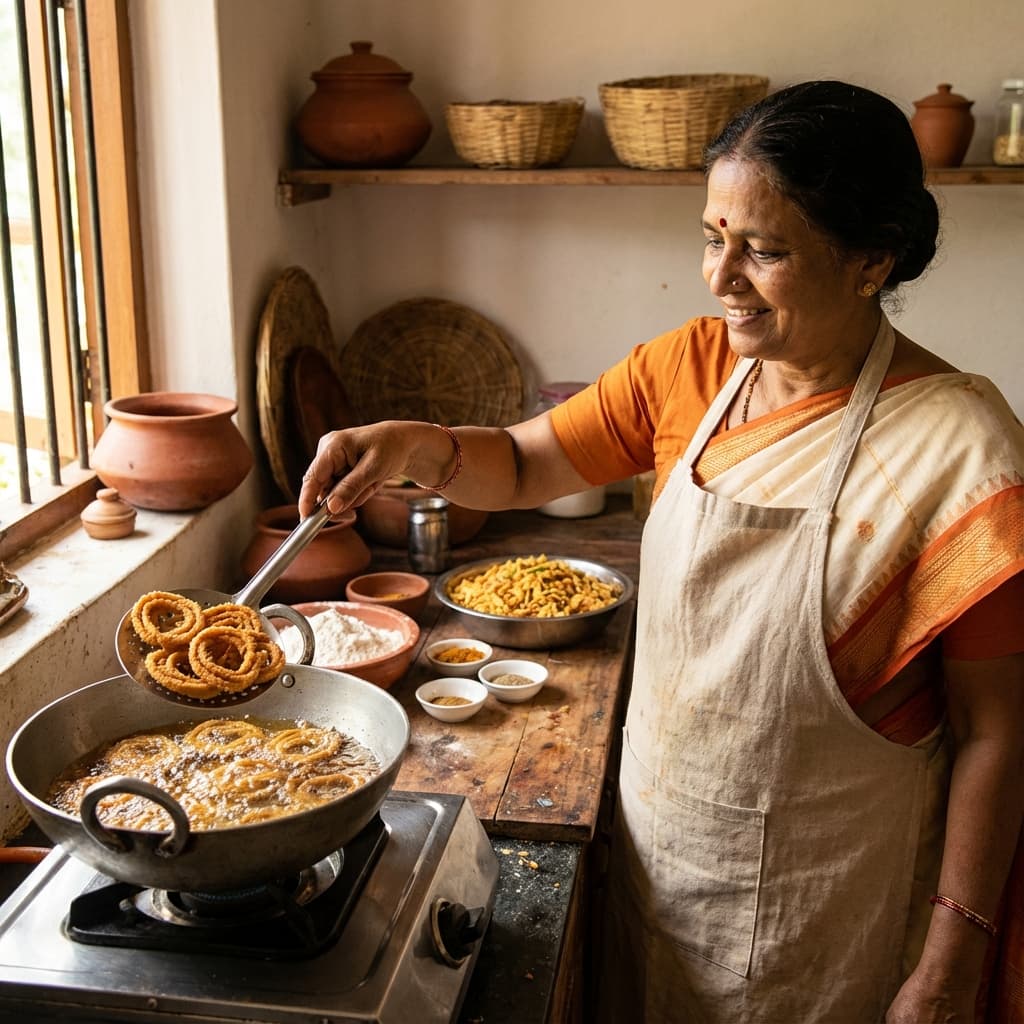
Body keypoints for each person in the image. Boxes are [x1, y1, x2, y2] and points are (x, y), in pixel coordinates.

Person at [299, 80, 1024, 1023]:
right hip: (666, 854)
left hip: (836, 899)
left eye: (764, 250)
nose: (720, 278)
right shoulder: (691, 366)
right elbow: (522, 463)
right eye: (712, 235)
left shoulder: (961, 453)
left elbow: (997, 734)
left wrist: (949, 966)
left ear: (870, 262)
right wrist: (410, 443)